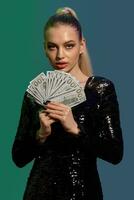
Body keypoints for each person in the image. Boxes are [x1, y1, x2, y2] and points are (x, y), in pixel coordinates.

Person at [12, 7, 123, 200]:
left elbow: (115, 153)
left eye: (69, 45)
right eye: (52, 46)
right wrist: (40, 134)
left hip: (83, 191)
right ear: (44, 48)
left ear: (82, 46)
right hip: (39, 192)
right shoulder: (35, 95)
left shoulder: (100, 89)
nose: (60, 55)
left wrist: (76, 129)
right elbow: (18, 158)